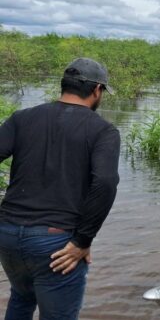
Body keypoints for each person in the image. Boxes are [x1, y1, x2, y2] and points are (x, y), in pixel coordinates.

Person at [0, 58, 121, 320]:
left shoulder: (22, 118)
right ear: (97, 90)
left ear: (64, 85)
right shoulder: (103, 131)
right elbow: (105, 182)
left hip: (7, 234)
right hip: (56, 242)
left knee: (21, 298)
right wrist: (82, 240)